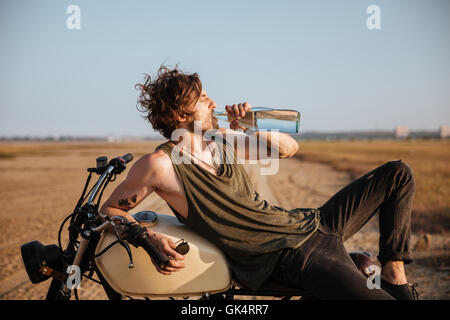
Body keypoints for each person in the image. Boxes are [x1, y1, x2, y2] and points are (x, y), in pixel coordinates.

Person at [100, 65, 418, 300]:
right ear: (182, 112)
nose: (213, 104)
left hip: (313, 223)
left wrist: (250, 125)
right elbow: (110, 208)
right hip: (288, 255)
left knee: (397, 173)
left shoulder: (221, 139)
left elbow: (289, 149)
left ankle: (394, 275)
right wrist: (148, 238)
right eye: (204, 98)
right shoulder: (159, 164)